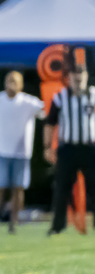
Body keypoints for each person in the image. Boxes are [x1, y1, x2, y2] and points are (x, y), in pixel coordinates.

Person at [0, 71, 45, 234]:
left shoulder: (28, 102)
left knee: (18, 189)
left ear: (21, 84)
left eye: (15, 81)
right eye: (8, 81)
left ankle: (14, 224)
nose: (11, 84)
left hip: (21, 153)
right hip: (1, 152)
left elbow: (45, 111)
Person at [44, 63, 95, 235]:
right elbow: (50, 124)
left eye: (81, 75)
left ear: (86, 77)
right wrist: (47, 147)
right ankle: (58, 226)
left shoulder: (94, 95)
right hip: (68, 149)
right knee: (62, 189)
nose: (78, 79)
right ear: (69, 78)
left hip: (90, 148)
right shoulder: (60, 97)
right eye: (74, 75)